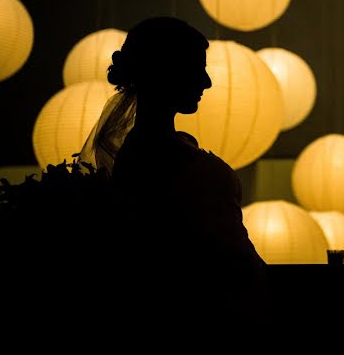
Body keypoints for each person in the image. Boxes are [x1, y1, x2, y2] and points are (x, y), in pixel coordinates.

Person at [78, 16, 266, 311]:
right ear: (166, 72)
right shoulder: (162, 157)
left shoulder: (139, 151)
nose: (207, 81)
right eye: (196, 69)